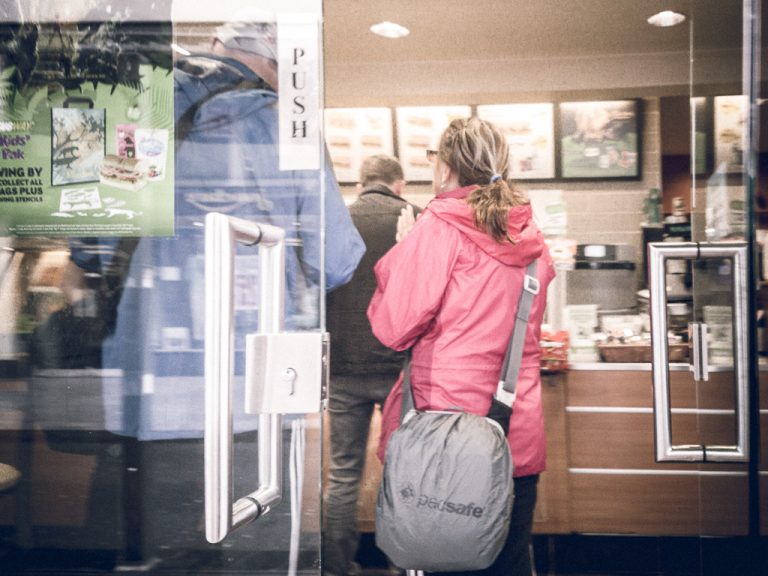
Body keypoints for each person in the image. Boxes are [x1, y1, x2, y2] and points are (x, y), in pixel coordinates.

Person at [367, 117, 556, 576]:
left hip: (441, 436)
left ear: (446, 167)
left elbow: (393, 327)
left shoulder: (438, 228)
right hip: (511, 430)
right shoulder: (532, 239)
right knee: (506, 564)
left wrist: (400, 256)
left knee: (441, 565)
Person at [323, 155, 420, 576]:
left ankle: (336, 567)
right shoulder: (414, 218)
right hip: (399, 368)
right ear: (398, 184)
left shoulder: (337, 222)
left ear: (362, 183)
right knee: (401, 472)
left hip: (343, 368)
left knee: (343, 475)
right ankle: (402, 566)